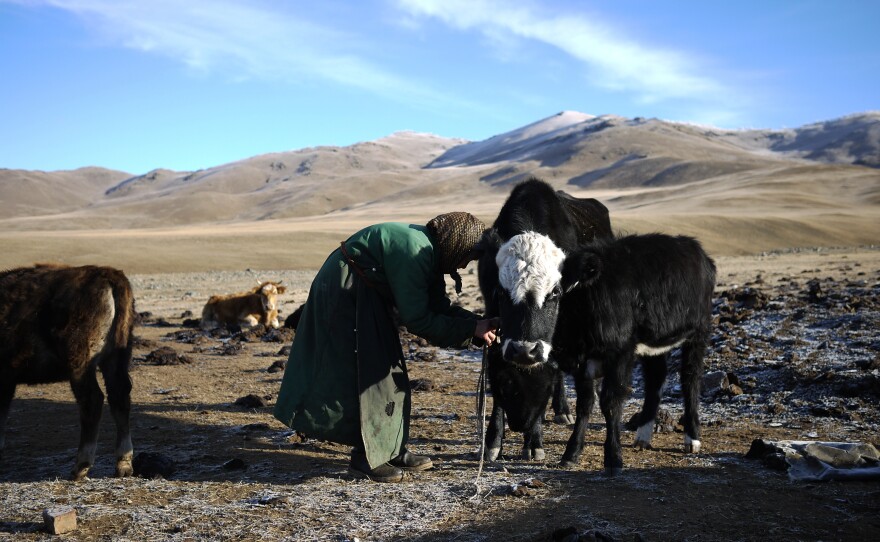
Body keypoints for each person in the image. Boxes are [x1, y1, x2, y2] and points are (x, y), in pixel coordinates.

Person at [273, 212, 500, 483]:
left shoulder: (431, 253)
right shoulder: (415, 253)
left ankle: (391, 448)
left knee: (390, 371)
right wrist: (470, 330)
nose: (463, 267)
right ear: (456, 246)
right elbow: (419, 320)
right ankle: (367, 458)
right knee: (365, 373)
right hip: (346, 292)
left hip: (365, 292)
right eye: (467, 258)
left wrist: (478, 323)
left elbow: (439, 307)